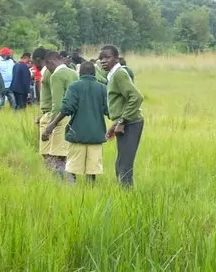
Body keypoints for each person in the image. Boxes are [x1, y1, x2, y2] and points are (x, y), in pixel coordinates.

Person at [42, 61, 109, 184]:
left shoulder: (74, 87)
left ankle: (72, 191)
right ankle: (90, 191)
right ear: (94, 73)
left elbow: (66, 109)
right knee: (92, 169)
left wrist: (52, 125)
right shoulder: (102, 88)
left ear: (80, 73)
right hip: (96, 135)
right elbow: (108, 111)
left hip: (77, 134)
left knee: (72, 167)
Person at [99, 46, 145, 187]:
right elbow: (122, 103)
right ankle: (123, 194)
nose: (103, 61)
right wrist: (115, 124)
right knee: (120, 163)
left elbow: (136, 97)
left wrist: (123, 121)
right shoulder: (112, 75)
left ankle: (127, 197)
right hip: (124, 123)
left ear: (116, 58)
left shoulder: (119, 74)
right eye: (101, 58)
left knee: (124, 165)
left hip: (131, 123)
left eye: (107, 57)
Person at [32, 48, 72, 175]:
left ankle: (60, 183)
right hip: (49, 115)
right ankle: (56, 182)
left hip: (54, 116)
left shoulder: (52, 73)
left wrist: (52, 121)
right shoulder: (51, 72)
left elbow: (57, 101)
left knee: (54, 155)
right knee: (48, 153)